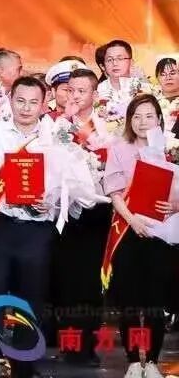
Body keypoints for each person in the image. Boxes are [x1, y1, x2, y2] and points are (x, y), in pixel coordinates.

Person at [0, 50, 88, 378]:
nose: (26, 108)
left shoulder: (54, 138)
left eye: (33, 102)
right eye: (20, 101)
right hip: (1, 226)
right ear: (10, 101)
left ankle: (24, 365)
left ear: (44, 105)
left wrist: (51, 202)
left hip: (37, 228)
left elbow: (68, 183)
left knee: (30, 298)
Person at [102, 95, 174, 378]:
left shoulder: (170, 149)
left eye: (149, 116)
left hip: (163, 234)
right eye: (136, 116)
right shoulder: (119, 149)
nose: (143, 122)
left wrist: (176, 205)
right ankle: (134, 360)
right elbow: (114, 192)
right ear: (129, 120)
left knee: (155, 301)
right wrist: (132, 220)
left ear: (159, 119)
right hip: (128, 232)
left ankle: (152, 361)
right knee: (130, 301)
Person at [50, 68, 115, 368]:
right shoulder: (55, 125)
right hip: (63, 211)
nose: (74, 96)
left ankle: (87, 347)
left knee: (89, 282)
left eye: (81, 91)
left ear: (94, 95)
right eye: (70, 90)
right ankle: (68, 344)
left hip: (96, 212)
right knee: (64, 281)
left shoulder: (108, 126)